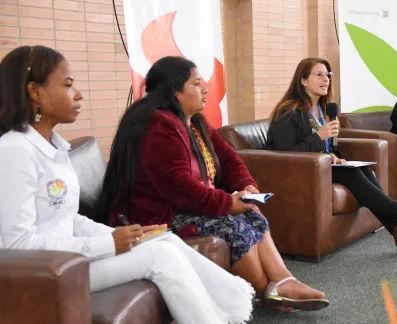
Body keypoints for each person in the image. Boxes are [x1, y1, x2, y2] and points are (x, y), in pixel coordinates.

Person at [0, 46, 254, 324]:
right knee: (159, 257)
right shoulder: (14, 151)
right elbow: (19, 244)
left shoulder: (54, 149)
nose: (79, 94)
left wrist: (124, 234)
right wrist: (106, 243)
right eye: (68, 85)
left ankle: (234, 309)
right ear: (35, 92)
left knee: (162, 239)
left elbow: (67, 219)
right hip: (47, 273)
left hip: (69, 259)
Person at [95, 56, 328, 312]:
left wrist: (247, 186)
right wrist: (227, 202)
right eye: (196, 84)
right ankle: (266, 292)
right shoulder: (157, 125)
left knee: (252, 214)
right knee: (232, 224)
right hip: (159, 216)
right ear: (175, 90)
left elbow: (230, 160)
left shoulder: (194, 121)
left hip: (185, 206)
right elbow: (177, 187)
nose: (205, 89)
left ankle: (283, 282)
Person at [265, 57, 397, 253]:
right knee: (351, 173)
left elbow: (323, 147)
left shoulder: (321, 109)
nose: (326, 79)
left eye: (328, 75)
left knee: (362, 170)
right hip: (298, 173)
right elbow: (283, 155)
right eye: (319, 75)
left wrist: (333, 155)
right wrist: (319, 137)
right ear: (303, 80)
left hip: (321, 167)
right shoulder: (288, 111)